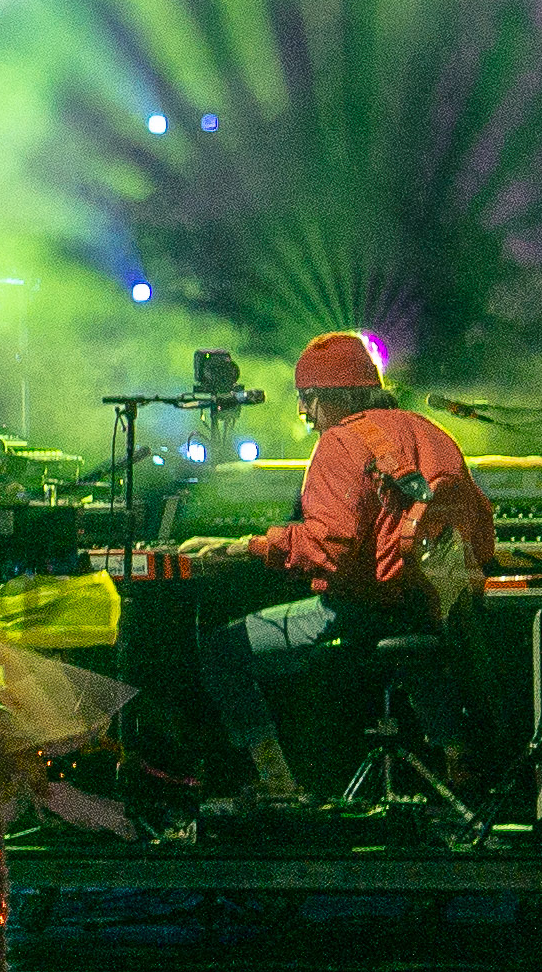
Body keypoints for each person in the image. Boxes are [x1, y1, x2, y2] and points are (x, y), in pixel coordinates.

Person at [148, 329, 499, 800]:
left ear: (336, 395)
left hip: (366, 609)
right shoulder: (431, 433)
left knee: (221, 652)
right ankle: (464, 775)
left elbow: (327, 549)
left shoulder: (341, 444)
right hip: (432, 603)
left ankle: (279, 783)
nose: (303, 413)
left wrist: (246, 546)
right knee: (418, 641)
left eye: (308, 398)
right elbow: (477, 516)